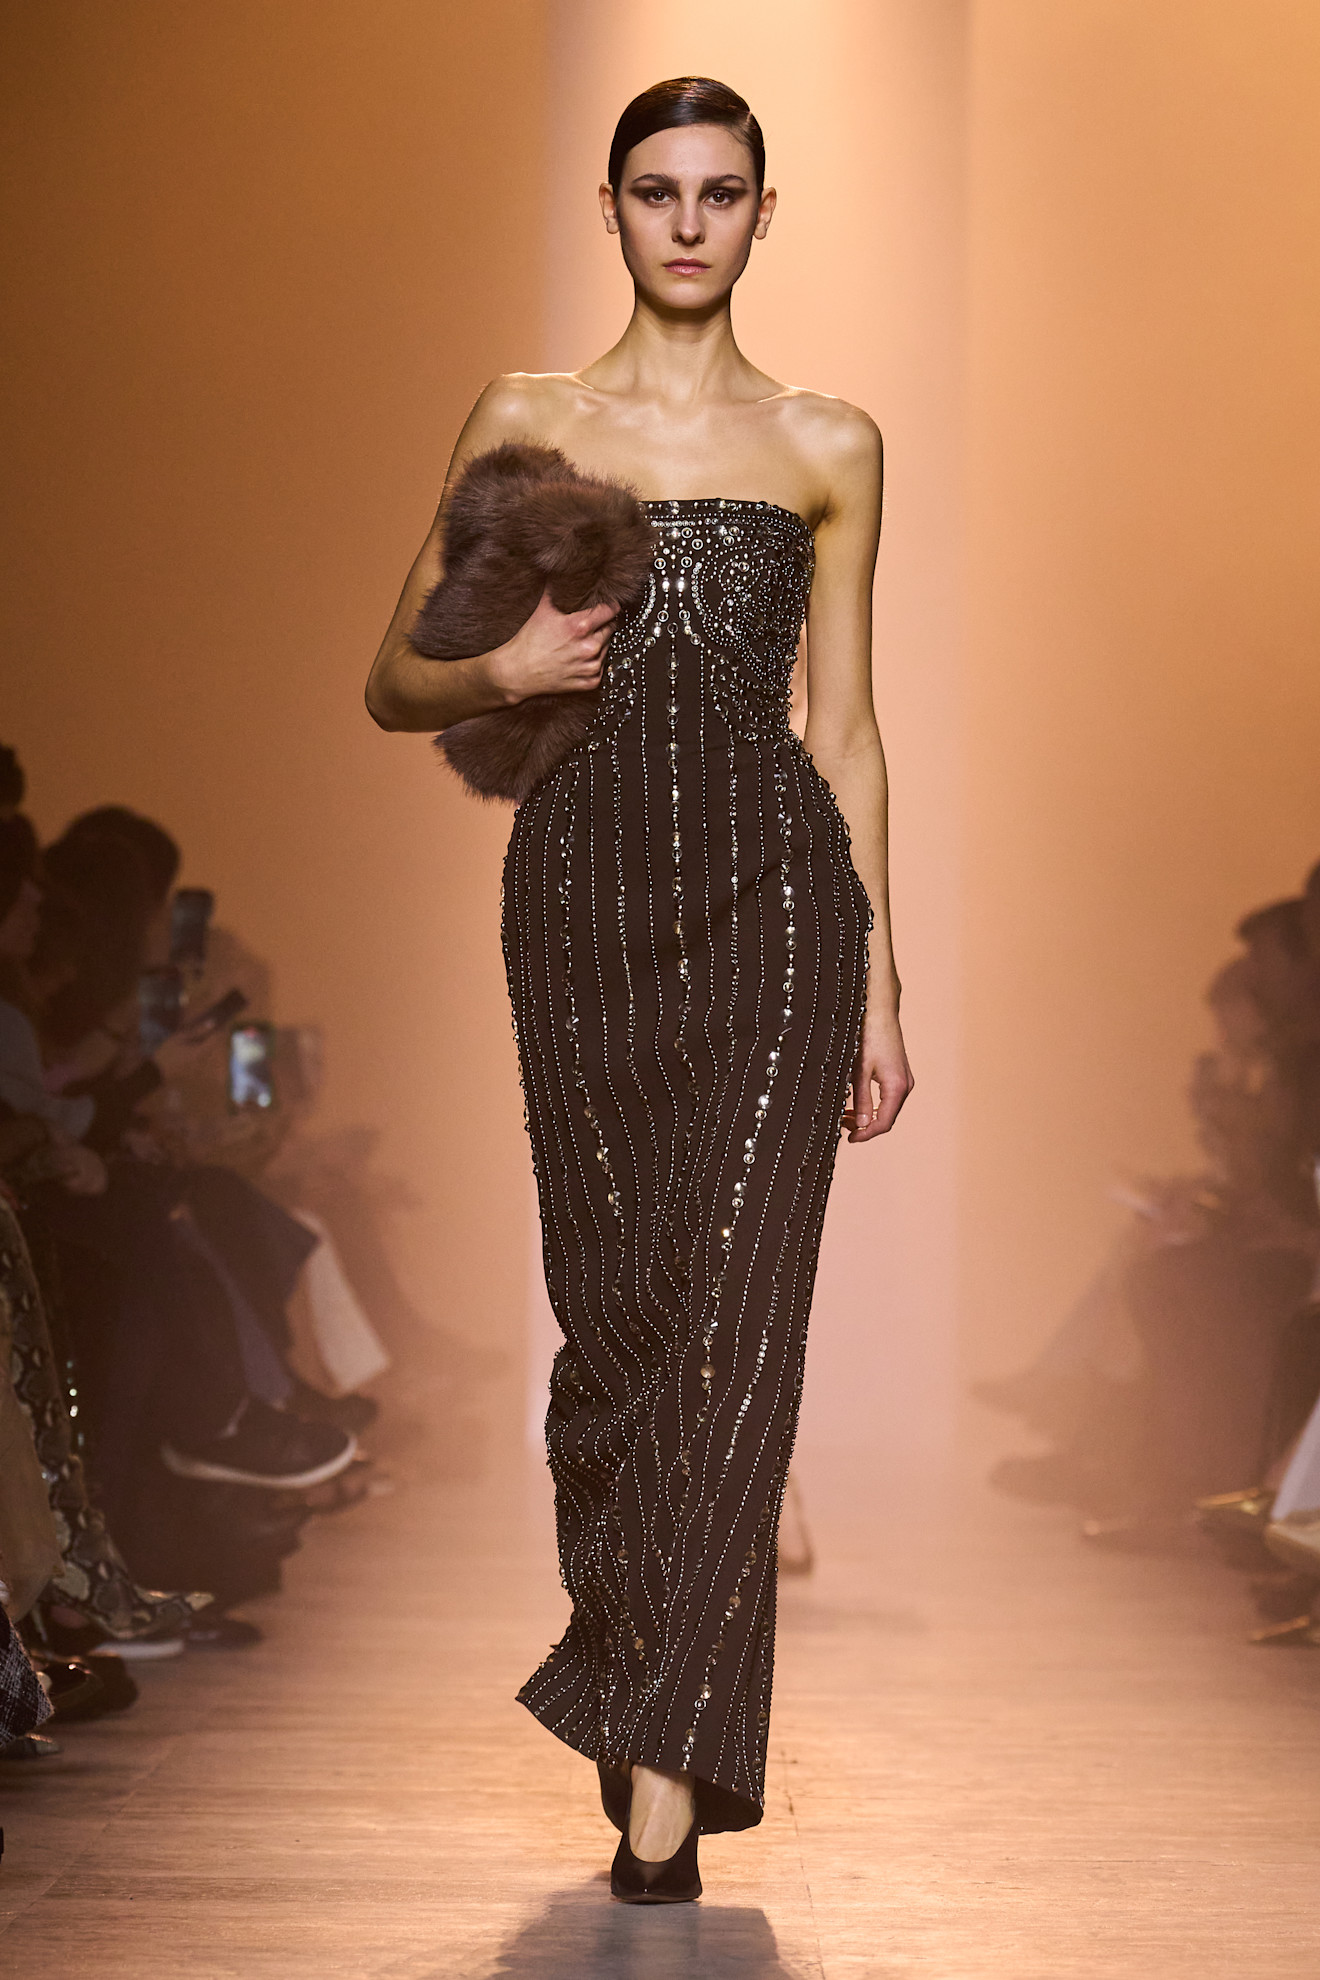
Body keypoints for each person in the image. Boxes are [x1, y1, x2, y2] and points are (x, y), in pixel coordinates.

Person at [367, 77, 912, 1902]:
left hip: (779, 910)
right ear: (609, 210)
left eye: (723, 193)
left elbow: (847, 729)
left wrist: (884, 986)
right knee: (616, 1329)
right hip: (583, 903)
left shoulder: (831, 441)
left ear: (765, 213)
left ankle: (666, 1775)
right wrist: (505, 665)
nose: (690, 223)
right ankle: (635, 1673)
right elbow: (391, 681)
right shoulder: (528, 417)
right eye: (657, 192)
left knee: (741, 1327)